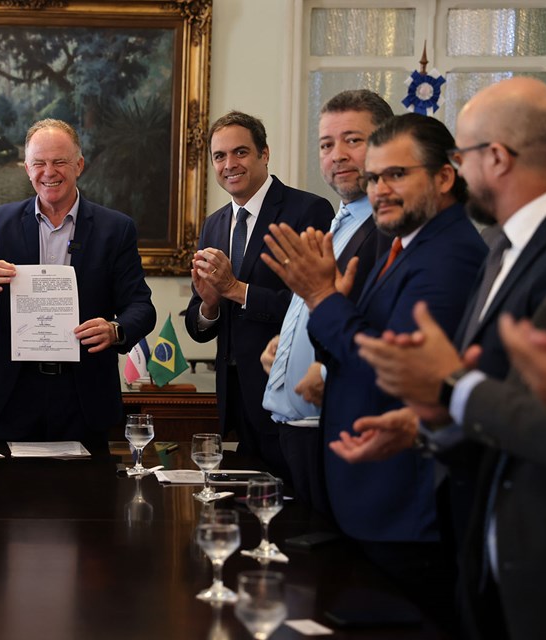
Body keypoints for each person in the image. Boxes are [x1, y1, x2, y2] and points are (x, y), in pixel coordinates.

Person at [333, 77, 546, 640]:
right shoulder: (503, 246)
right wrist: (426, 423)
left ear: (495, 157)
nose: (458, 170)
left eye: (463, 156)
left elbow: (499, 399)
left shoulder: (470, 249)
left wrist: (451, 389)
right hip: (486, 542)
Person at [261, 113, 487, 626]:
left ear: (445, 176)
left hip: (406, 507)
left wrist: (321, 298)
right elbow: (358, 343)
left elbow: (398, 369)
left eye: (396, 175)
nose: (379, 190)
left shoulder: (449, 256)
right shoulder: (406, 246)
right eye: (374, 177)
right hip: (371, 500)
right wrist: (327, 315)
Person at [0, 118, 155, 444]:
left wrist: (115, 330)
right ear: (27, 169)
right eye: (39, 163)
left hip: (83, 395)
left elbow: (141, 307)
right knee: (1, 479)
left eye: (60, 161)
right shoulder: (1, 222)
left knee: (87, 479)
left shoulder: (115, 229)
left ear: (79, 165)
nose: (49, 172)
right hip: (12, 393)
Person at [260, 90, 393, 510]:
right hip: (294, 432)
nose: (337, 155)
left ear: (386, 143)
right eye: (326, 144)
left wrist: (322, 368)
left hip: (335, 431)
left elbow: (381, 325)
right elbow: (320, 304)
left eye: (353, 140)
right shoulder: (340, 221)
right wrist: (284, 347)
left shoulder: (387, 230)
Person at [185, 111, 333, 480]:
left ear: (264, 154)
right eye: (220, 156)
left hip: (287, 396)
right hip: (234, 401)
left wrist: (235, 289)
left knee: (293, 506)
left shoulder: (307, 211)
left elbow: (315, 306)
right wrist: (209, 304)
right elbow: (200, 323)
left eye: (240, 152)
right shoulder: (214, 223)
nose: (229, 165)